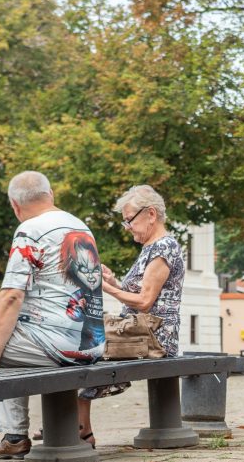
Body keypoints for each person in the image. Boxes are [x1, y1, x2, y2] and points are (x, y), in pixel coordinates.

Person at [0, 171, 105, 462]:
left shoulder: (30, 229)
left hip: (55, 345)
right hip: (91, 344)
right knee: (11, 335)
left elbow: (11, 297)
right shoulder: (80, 226)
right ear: (51, 194)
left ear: (14, 206)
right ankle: (15, 437)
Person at [76, 185, 186, 444]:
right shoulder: (151, 248)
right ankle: (77, 426)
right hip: (139, 330)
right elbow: (141, 293)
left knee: (76, 349)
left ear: (150, 214)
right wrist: (114, 281)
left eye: (129, 220)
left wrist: (104, 287)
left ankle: (72, 424)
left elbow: (145, 301)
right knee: (74, 346)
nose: (127, 227)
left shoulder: (164, 247)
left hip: (153, 335)